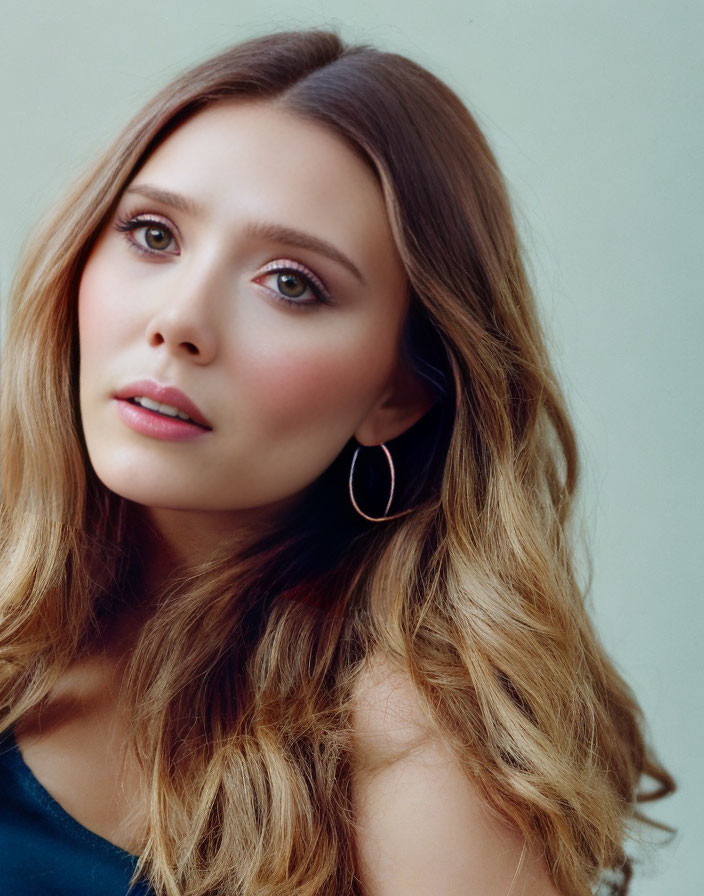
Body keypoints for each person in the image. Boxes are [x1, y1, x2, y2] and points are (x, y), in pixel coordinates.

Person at [0, 28, 674, 896]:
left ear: (398, 394)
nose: (179, 320)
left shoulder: (408, 730)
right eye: (154, 234)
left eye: (291, 283)